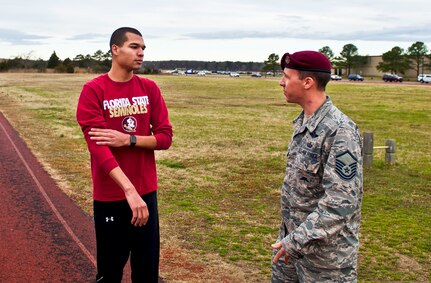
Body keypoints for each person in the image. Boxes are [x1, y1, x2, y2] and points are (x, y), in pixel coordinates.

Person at [76, 27, 172, 282]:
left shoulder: (149, 88)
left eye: (143, 48)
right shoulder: (93, 90)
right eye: (134, 47)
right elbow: (98, 149)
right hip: (111, 197)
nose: (140, 53)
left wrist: (128, 139)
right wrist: (129, 191)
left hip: (146, 194)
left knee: (146, 273)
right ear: (115, 49)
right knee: (109, 273)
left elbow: (165, 138)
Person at [271, 51, 363, 282]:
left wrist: (295, 241)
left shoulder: (340, 131)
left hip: (325, 260)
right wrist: (290, 240)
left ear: (307, 82)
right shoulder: (304, 123)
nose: (281, 82)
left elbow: (341, 203)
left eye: (286, 76)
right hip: (291, 247)